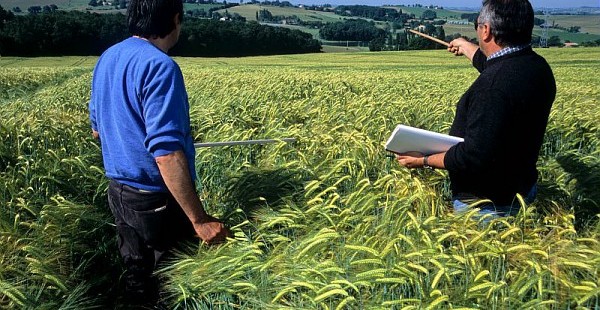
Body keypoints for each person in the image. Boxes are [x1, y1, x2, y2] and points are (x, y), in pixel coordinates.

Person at [88, 0, 230, 304]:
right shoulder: (160, 66)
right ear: (175, 19)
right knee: (171, 285)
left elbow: (98, 129)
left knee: (137, 275)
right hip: (155, 202)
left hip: (118, 191)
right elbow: (165, 154)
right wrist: (199, 219)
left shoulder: (108, 57)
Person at [396, 0, 556, 217]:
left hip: (486, 206)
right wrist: (466, 46)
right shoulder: (537, 67)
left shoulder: (492, 88)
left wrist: (422, 160)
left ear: (487, 30)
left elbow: (473, 157)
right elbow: (499, 66)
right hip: (521, 189)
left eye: (477, 24)